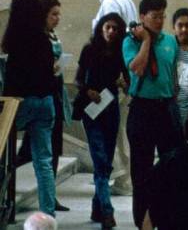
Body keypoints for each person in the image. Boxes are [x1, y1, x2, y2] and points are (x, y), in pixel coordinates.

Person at [123, 0, 183, 229]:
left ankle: (168, 219)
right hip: (143, 109)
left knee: (172, 167)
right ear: (142, 17)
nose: (159, 21)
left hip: (166, 108)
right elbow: (137, 69)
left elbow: (173, 74)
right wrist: (146, 40)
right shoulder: (130, 42)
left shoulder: (170, 42)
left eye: (162, 16)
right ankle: (143, 222)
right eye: (155, 16)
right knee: (142, 172)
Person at [2, 0, 57, 216]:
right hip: (45, 101)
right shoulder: (44, 40)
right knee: (44, 162)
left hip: (22, 102)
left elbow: (13, 79)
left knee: (4, 155)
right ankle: (48, 213)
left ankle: (5, 204)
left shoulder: (16, 40)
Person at [17, 0, 71, 212]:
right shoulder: (35, 39)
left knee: (47, 156)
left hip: (49, 98)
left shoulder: (45, 37)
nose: (57, 18)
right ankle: (47, 208)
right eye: (53, 14)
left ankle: (49, 203)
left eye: (59, 14)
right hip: (41, 99)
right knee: (39, 157)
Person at [75, 12, 129, 228]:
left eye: (115, 28)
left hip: (110, 106)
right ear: (101, 28)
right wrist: (88, 91)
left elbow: (128, 79)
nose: (111, 32)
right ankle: (107, 210)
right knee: (100, 159)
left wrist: (124, 84)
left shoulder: (120, 52)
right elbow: (79, 79)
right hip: (92, 109)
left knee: (106, 159)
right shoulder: (90, 49)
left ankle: (97, 207)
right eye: (108, 27)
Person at [91, 0, 137, 196]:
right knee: (118, 127)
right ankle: (118, 175)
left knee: (115, 128)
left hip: (113, 77)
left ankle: (124, 178)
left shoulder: (111, 2)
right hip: (122, 74)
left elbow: (112, 41)